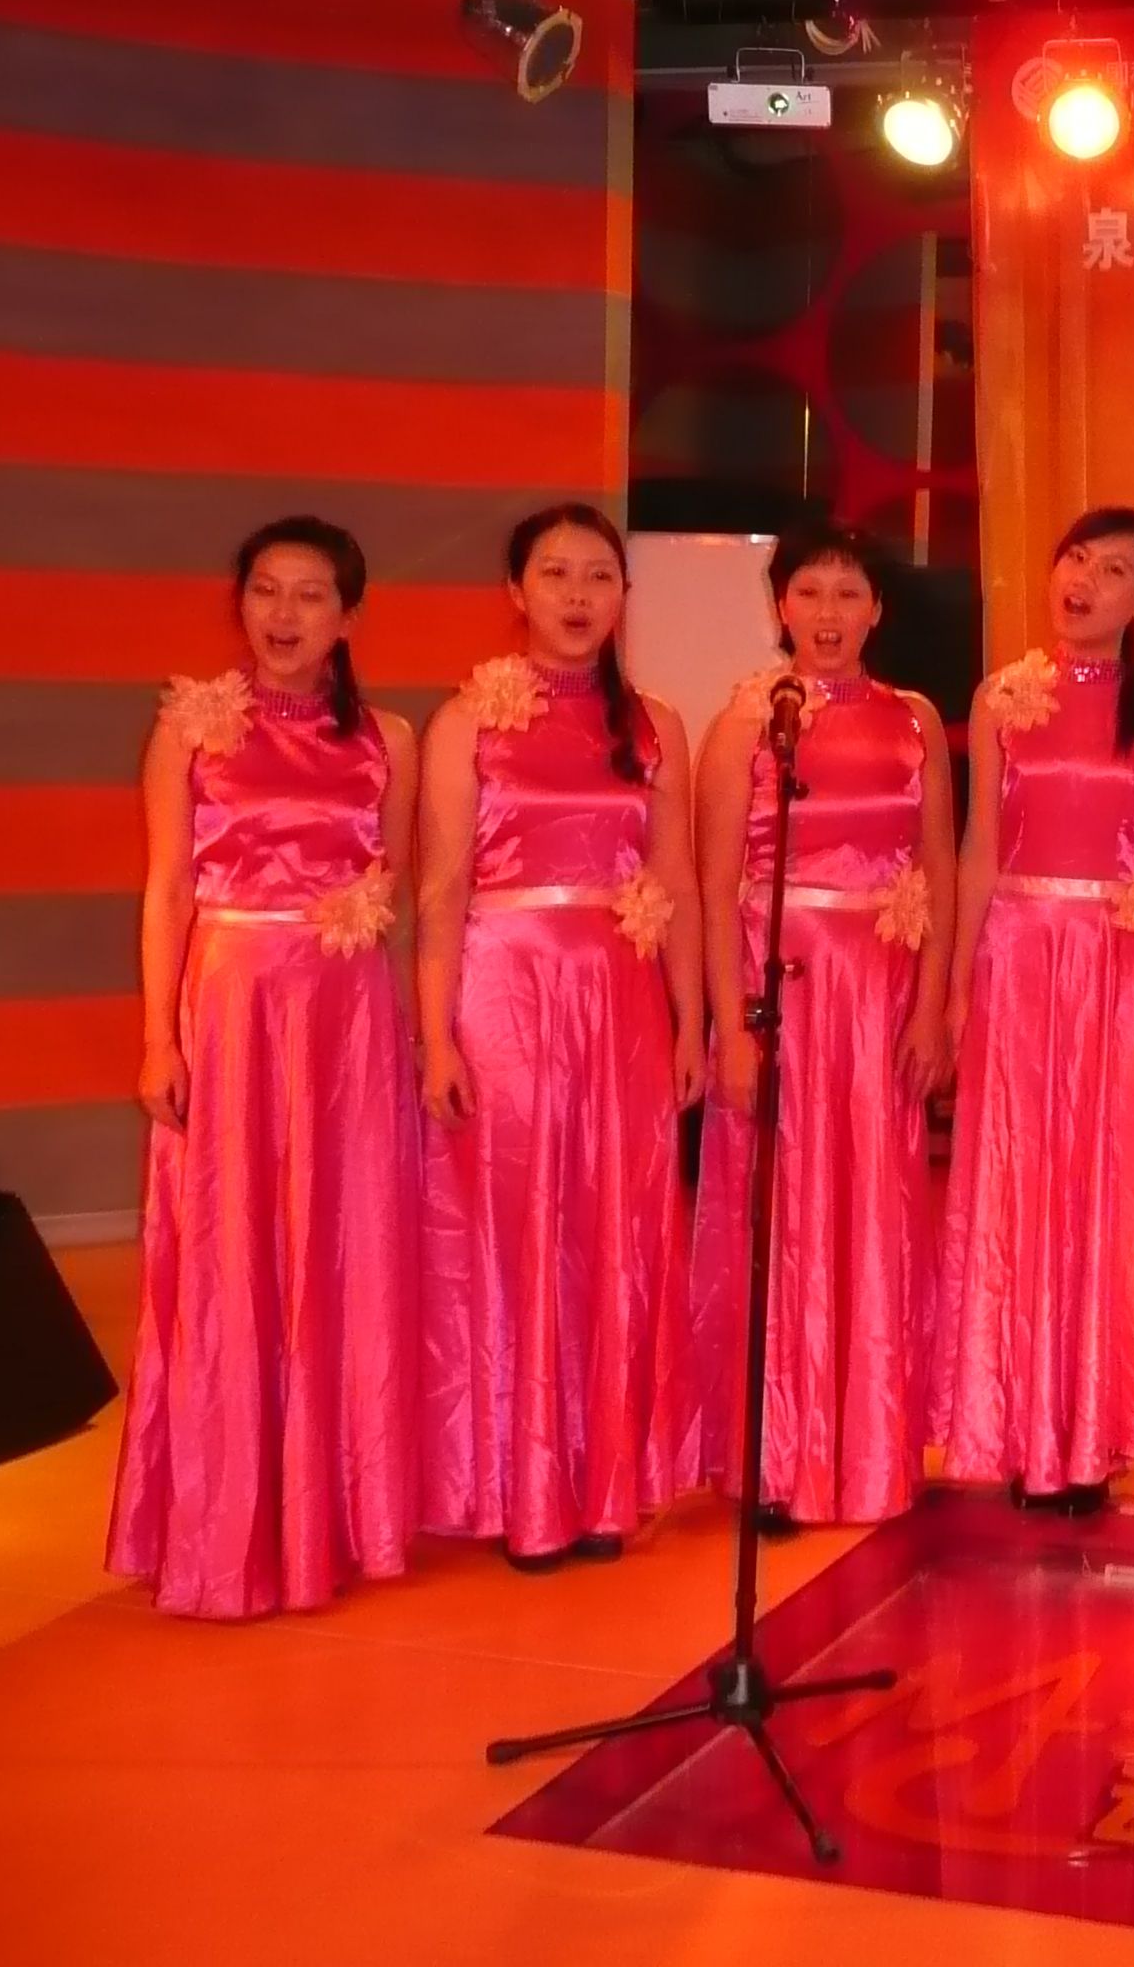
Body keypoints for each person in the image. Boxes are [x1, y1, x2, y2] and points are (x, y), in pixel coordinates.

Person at [110, 518, 421, 1620]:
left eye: (310, 595)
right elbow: (165, 890)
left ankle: (336, 1515)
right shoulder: (191, 725)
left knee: (340, 1245)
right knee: (228, 1248)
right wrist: (159, 1035)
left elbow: (401, 888)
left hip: (346, 1017)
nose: (283, 615)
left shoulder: (388, 736)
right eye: (265, 592)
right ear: (239, 602)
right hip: (230, 1001)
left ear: (349, 616)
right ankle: (225, 1526)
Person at [417, 504, 705, 1571]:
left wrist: (691, 1018)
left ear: (624, 595)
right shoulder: (467, 719)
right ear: (516, 591)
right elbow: (441, 890)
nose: (578, 596)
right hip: (504, 996)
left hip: (621, 1001)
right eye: (555, 574)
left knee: (615, 1227)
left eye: (599, 576)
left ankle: (603, 1484)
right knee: (517, 1230)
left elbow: (676, 883)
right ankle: (519, 1486)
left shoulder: (656, 724)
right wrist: (435, 1034)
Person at [690, 518, 955, 1532]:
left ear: (877, 610)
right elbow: (716, 888)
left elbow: (938, 868)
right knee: (779, 1216)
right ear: (780, 606)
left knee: (877, 1213)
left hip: (882, 992)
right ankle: (775, 1455)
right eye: (809, 592)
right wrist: (730, 1026)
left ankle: (871, 1449)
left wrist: (932, 1007)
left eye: (849, 593)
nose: (829, 612)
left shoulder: (914, 719)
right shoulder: (746, 723)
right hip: (783, 990)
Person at [936, 506, 1134, 1513]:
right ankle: (1017, 1424)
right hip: (1016, 961)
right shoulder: (1004, 695)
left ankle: (1095, 1434)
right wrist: (957, 984)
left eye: (1115, 569)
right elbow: (976, 852)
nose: (1084, 580)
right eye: (1076, 557)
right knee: (1019, 1189)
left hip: (1121, 969)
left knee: (1109, 1193)